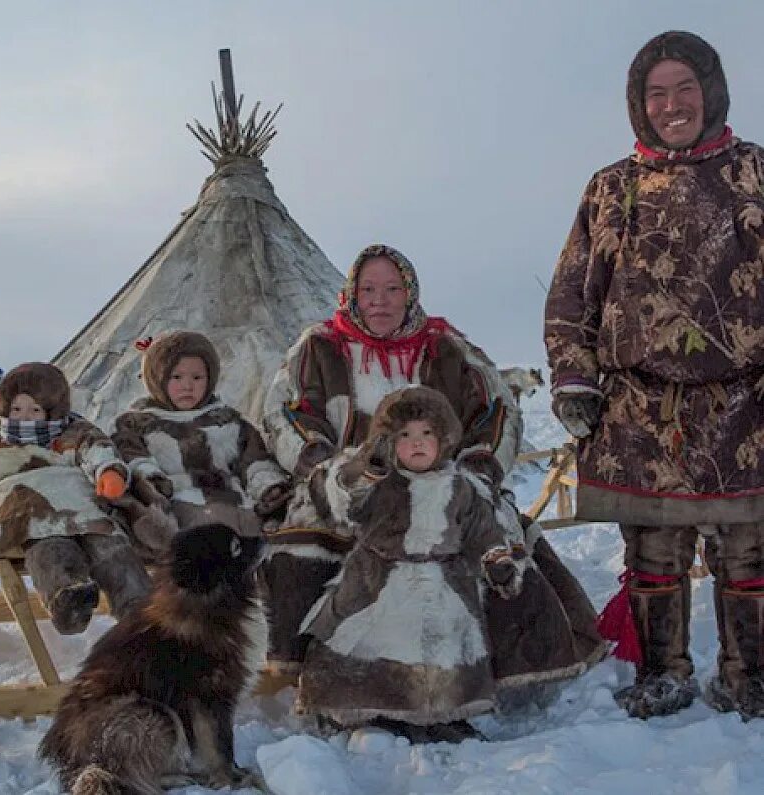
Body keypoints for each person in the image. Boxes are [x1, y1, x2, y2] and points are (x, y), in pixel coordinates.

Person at [262, 243, 604, 694]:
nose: (379, 300)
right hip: (352, 488)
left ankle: (494, 671)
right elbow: (286, 414)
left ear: (410, 292)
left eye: (391, 288)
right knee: (302, 541)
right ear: (351, 294)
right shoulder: (318, 347)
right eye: (368, 289)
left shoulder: (447, 347)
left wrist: (474, 474)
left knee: (490, 530)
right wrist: (330, 471)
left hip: (441, 487)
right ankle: (320, 670)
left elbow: (496, 413)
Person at [545, 31, 764, 720]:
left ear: (710, 93)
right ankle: (662, 674)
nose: (671, 105)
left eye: (684, 89)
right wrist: (573, 378)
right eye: (656, 93)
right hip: (641, 411)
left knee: (748, 553)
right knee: (653, 555)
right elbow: (573, 291)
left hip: (744, 407)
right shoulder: (612, 187)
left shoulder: (753, 174)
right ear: (639, 105)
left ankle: (748, 676)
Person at [297, 386, 529, 742]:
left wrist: (496, 560)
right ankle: (375, 708)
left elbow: (483, 532)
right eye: (404, 435)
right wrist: (366, 468)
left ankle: (441, 713)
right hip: (379, 580)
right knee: (373, 643)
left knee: (444, 647)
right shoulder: (381, 482)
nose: (416, 443)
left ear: (445, 438)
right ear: (388, 442)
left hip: (444, 581)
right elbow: (346, 501)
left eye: (427, 434)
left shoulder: (461, 487)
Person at [0, 362, 151, 634]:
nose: (25, 417)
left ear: (52, 410)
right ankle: (67, 596)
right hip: (28, 518)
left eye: (35, 410)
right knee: (49, 550)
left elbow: (98, 450)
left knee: (110, 547)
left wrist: (108, 472)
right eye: (17, 410)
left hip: (82, 510)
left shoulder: (73, 435)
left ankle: (141, 607)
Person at [112, 331, 290, 557]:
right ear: (157, 379)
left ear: (210, 379)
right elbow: (133, 457)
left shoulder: (228, 420)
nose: (187, 386)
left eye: (197, 378)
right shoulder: (139, 424)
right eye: (176, 378)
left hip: (236, 502)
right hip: (178, 504)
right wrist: (152, 480)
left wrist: (268, 485)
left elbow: (253, 459)